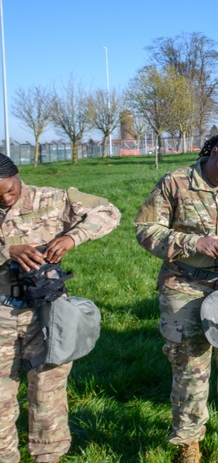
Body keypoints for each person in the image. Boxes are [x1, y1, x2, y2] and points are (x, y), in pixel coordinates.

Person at [135, 132, 218, 463]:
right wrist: (194, 243)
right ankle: (189, 443)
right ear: (211, 153)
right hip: (185, 286)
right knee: (189, 366)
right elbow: (145, 229)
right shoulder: (176, 182)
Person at [0, 153, 120, 463]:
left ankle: (48, 457)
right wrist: (7, 250)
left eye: (10, 190)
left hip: (47, 311)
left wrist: (72, 237)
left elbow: (108, 211)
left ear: (17, 177)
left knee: (48, 392)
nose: (5, 198)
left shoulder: (52, 199)